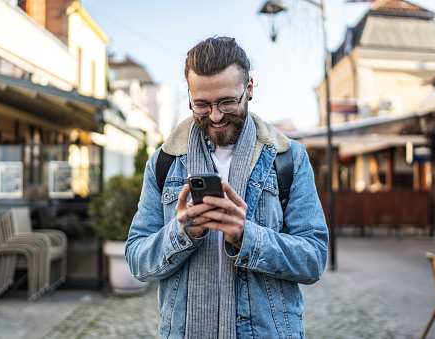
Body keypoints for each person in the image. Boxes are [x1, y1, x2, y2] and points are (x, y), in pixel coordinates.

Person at [125, 36, 329, 339]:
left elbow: (313, 259)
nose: (216, 115)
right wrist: (182, 233)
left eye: (227, 102)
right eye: (202, 105)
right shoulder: (164, 162)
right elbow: (136, 260)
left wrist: (245, 235)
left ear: (248, 88)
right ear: (190, 96)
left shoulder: (288, 157)